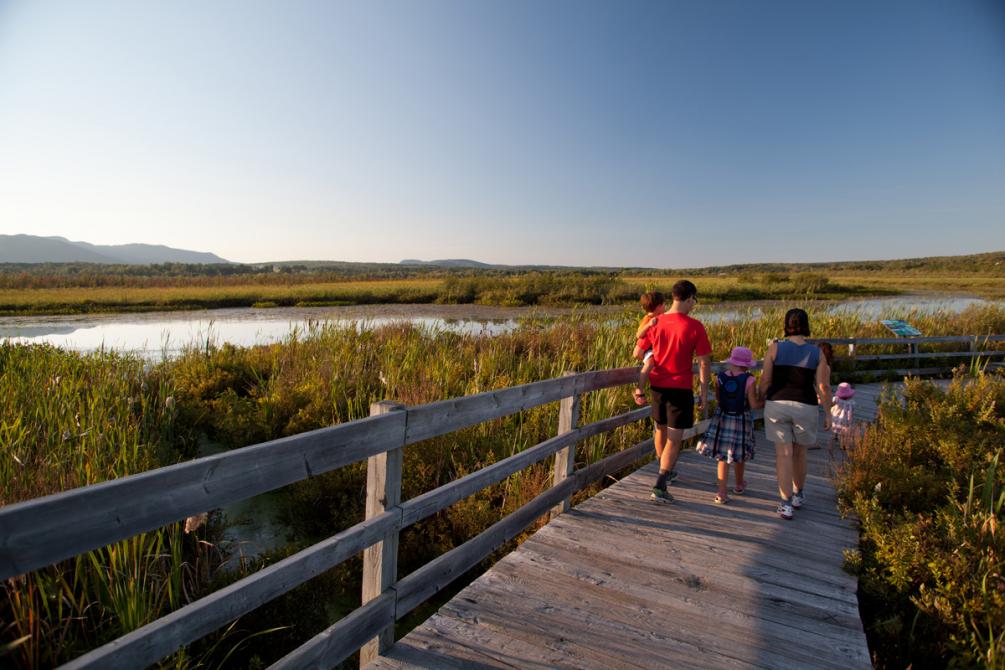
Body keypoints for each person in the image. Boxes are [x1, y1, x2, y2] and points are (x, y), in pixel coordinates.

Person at [632, 280, 712, 503]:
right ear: (688, 298)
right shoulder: (695, 326)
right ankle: (660, 483)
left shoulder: (655, 322)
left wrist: (654, 358)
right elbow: (704, 363)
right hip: (679, 387)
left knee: (660, 430)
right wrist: (704, 392)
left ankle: (663, 470)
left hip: (657, 386)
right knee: (675, 438)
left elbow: (638, 351)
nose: (694, 305)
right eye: (694, 300)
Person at [759, 308, 832, 520]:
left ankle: (785, 503)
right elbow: (823, 386)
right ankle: (798, 494)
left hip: (777, 403)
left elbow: (766, 380)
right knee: (800, 453)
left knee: (784, 454)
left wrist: (759, 397)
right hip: (805, 405)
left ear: (786, 325)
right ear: (806, 325)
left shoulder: (775, 348)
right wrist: (828, 412)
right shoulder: (816, 352)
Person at [696, 346, 763, 504]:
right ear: (746, 365)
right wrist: (763, 400)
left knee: (722, 456)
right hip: (741, 419)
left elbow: (719, 398)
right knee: (739, 453)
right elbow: (753, 404)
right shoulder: (749, 380)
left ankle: (722, 492)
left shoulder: (720, 377)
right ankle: (739, 484)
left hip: (723, 417)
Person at [830, 382, 856, 449]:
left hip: (837, 419)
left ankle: (835, 437)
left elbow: (832, 401)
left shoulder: (837, 400)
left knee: (837, 429)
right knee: (845, 432)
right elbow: (853, 409)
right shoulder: (852, 402)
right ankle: (845, 445)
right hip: (846, 420)